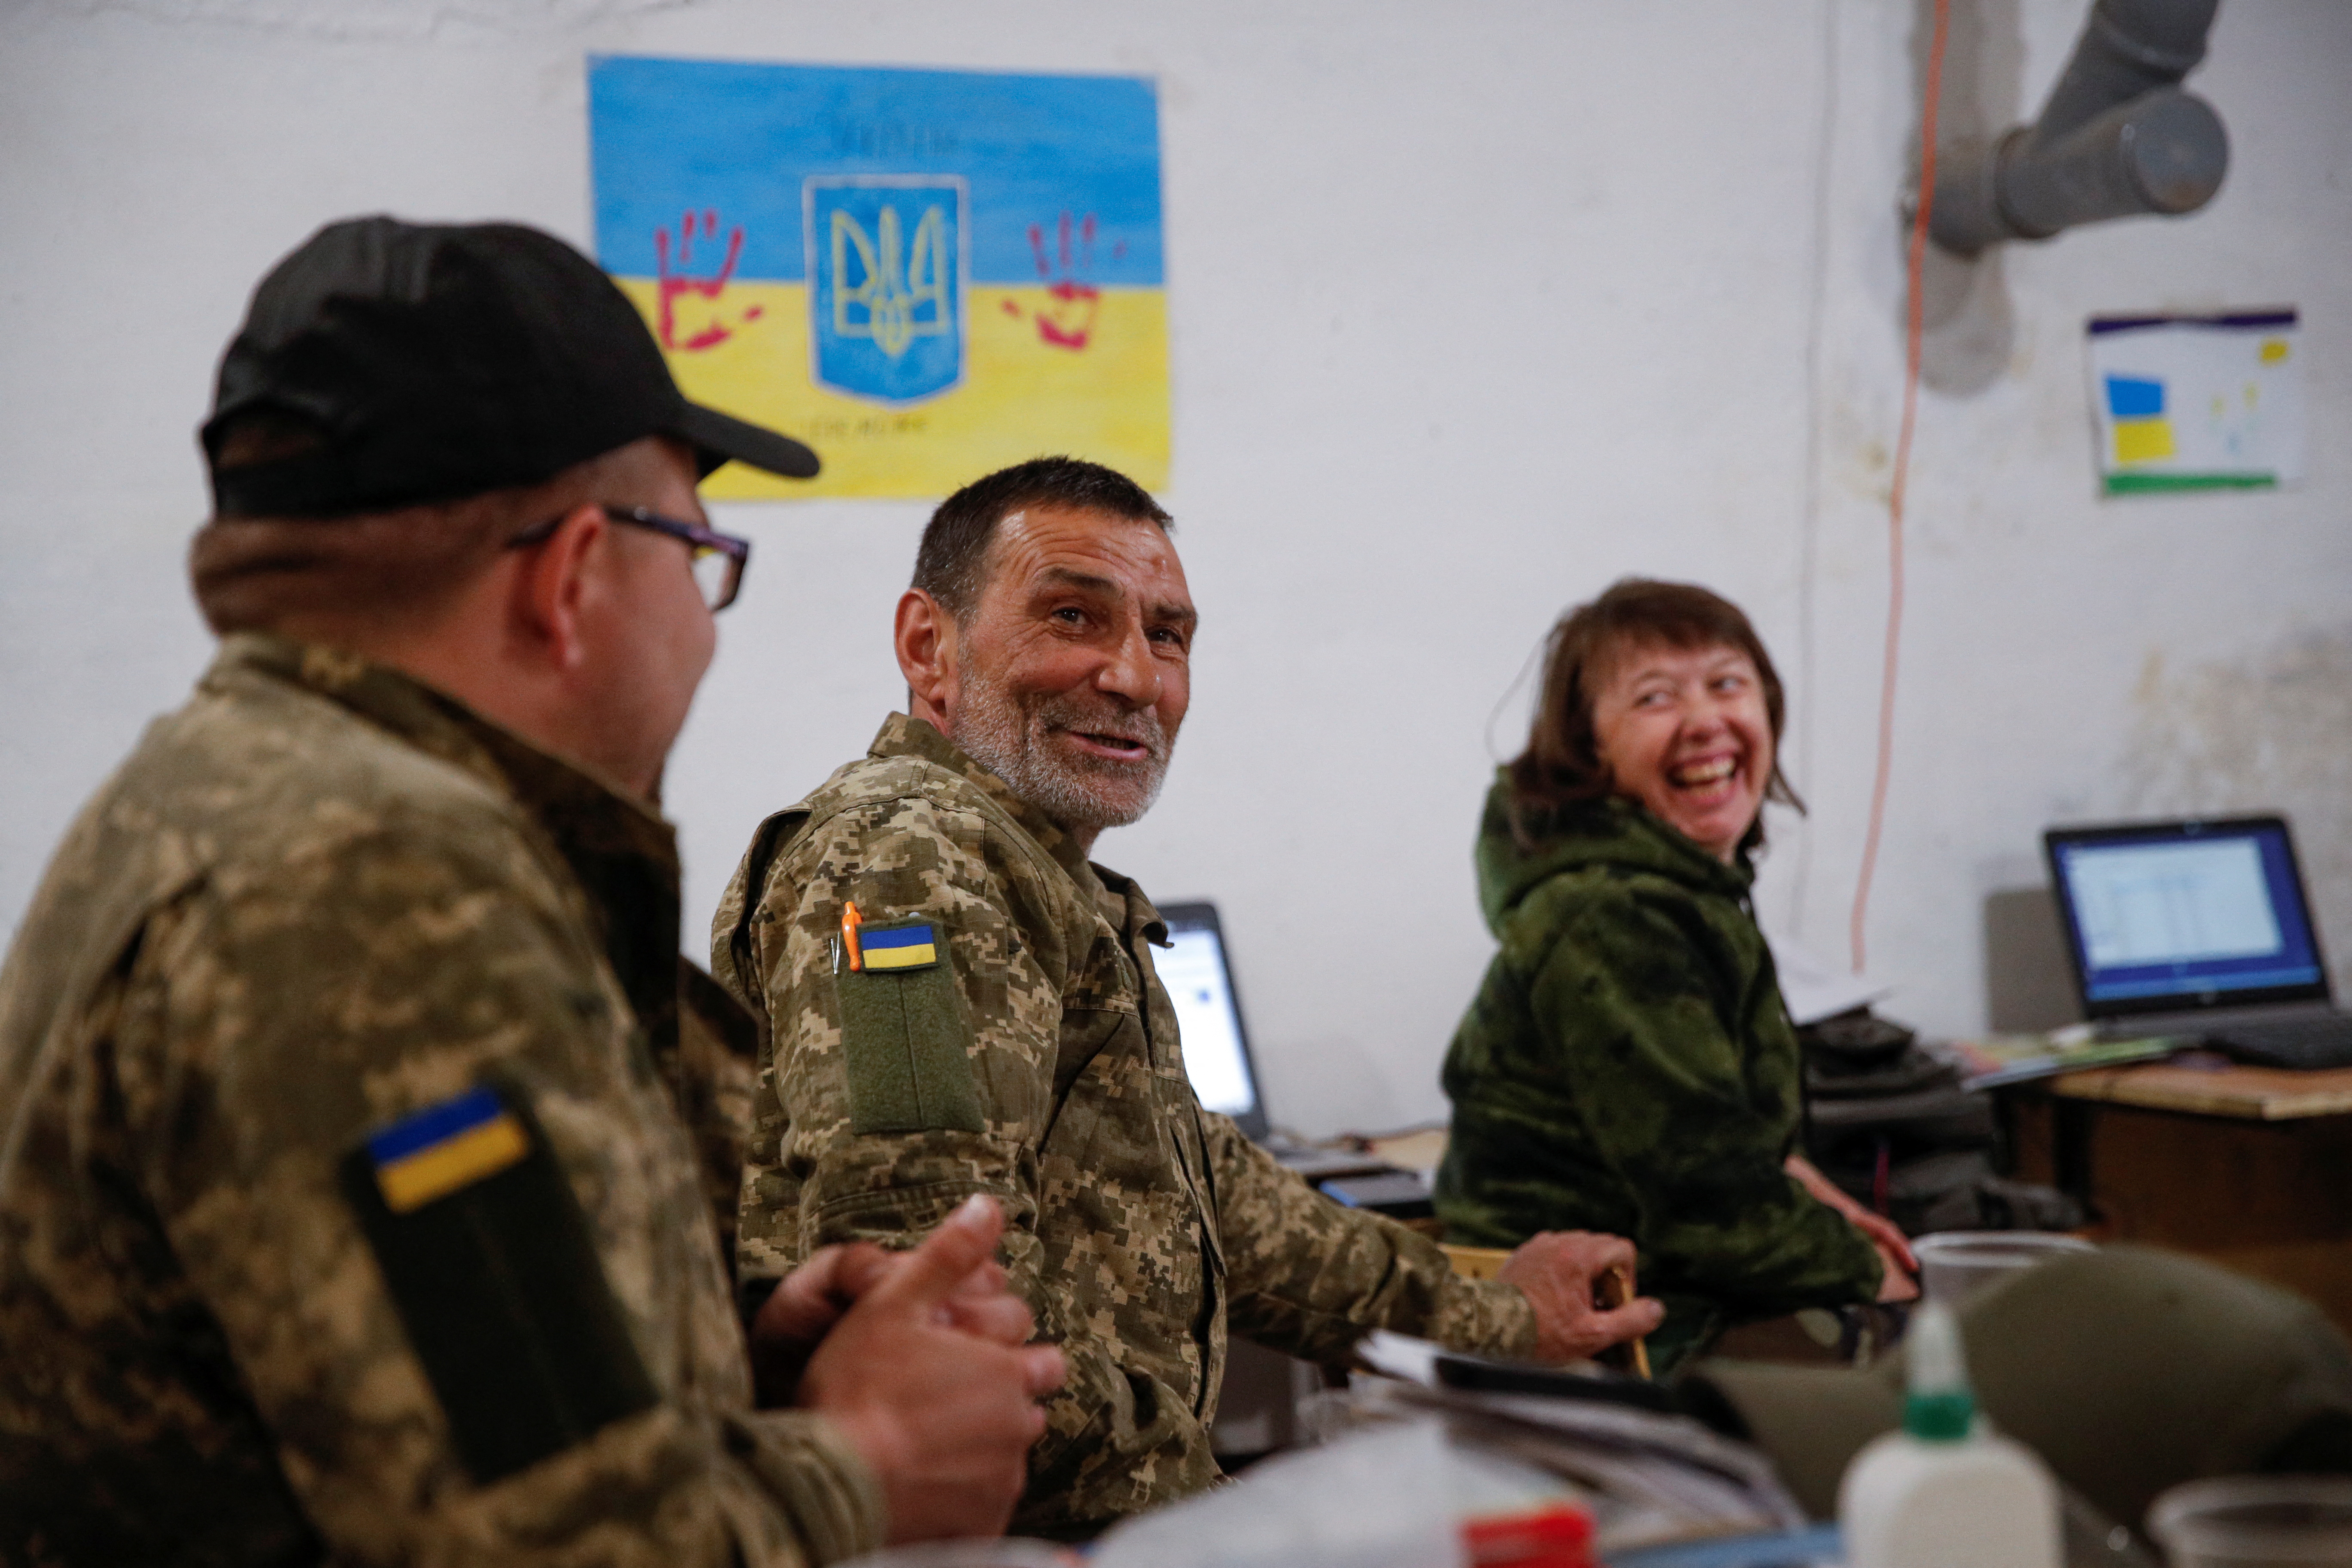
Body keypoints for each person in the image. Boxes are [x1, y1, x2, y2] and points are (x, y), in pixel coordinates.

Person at [0, 216, 1061, 1567]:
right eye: (696, 556)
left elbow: (393, 1385)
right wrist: (872, 1458)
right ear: (571, 581)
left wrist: (739, 1344)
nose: (699, 622)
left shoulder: (225, 795)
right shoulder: (375, 884)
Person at [711, 456, 1666, 1540]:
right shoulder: (910, 854)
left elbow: (1208, 1195)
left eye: (1167, 636)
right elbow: (935, 1295)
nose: (1134, 677)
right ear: (930, 646)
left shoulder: (1036, 872)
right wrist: (1213, 1522)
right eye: (1073, 616)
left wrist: (1499, 1316)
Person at [1433, 578, 1917, 1378]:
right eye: (1655, 698)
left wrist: (1831, 1209)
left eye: (1727, 684)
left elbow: (1722, 1138)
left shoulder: (1680, 893)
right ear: (1591, 749)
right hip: (1615, 1330)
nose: (1704, 722)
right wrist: (1881, 1280)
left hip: (1677, 1291)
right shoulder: (1613, 916)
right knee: (1952, 1358)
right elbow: (1710, 1206)